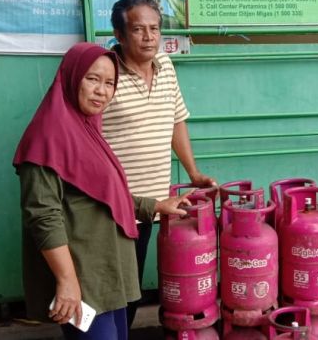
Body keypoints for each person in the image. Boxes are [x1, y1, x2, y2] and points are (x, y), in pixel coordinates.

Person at [13, 42, 193, 339]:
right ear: (71, 77)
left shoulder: (86, 130)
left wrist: (155, 206)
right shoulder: (46, 138)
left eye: (110, 83)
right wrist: (67, 281)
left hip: (107, 273)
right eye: (92, 79)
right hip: (83, 278)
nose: (102, 91)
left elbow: (102, 195)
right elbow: (43, 216)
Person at [102, 0, 217, 327]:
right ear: (120, 35)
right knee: (111, 289)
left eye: (155, 29)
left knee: (132, 286)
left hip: (152, 204)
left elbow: (176, 120)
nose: (149, 37)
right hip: (114, 205)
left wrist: (193, 173)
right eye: (139, 29)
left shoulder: (165, 67)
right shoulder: (106, 73)